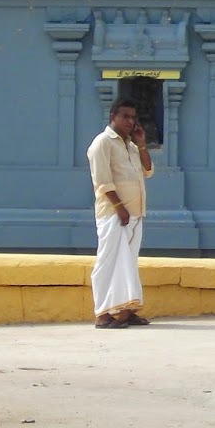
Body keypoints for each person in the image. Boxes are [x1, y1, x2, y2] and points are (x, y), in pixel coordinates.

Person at [87, 100, 154, 328]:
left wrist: (141, 143)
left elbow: (147, 170)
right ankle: (102, 313)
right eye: (125, 116)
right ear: (113, 116)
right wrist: (119, 208)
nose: (130, 121)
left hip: (134, 214)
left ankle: (126, 311)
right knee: (108, 262)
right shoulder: (102, 143)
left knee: (127, 263)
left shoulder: (131, 146)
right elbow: (102, 181)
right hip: (113, 214)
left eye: (133, 117)